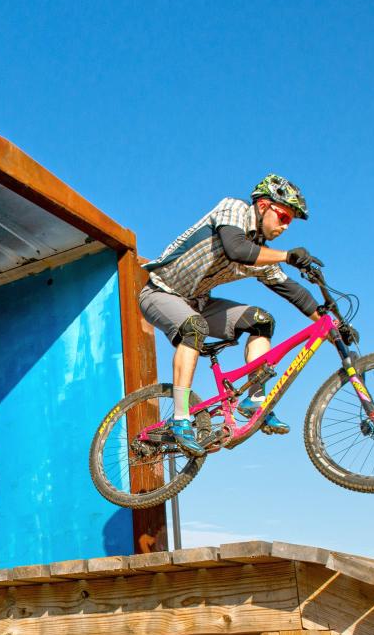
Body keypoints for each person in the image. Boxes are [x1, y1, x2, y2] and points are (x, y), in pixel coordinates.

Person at [139, 173, 326, 457]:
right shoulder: (234, 209)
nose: (285, 227)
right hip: (159, 294)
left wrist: (331, 322)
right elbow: (237, 249)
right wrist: (287, 256)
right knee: (194, 326)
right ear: (263, 205)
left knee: (262, 321)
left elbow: (293, 292)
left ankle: (255, 399)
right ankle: (179, 419)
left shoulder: (261, 255)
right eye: (283, 217)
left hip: (198, 302)